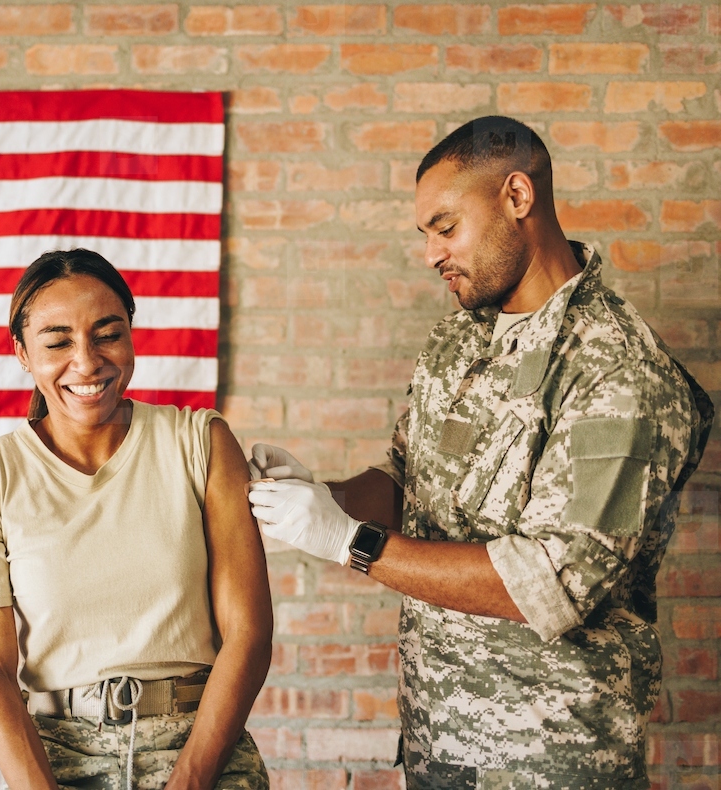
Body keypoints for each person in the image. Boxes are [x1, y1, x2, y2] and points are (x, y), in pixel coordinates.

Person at [247, 116, 713, 789]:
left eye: (446, 226)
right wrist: (325, 498)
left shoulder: (616, 369)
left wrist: (351, 541)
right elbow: (409, 480)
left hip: (552, 764)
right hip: (440, 748)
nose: (431, 253)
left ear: (516, 198)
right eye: (426, 234)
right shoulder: (460, 338)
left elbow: (554, 582)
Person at [0, 249, 273, 790]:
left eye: (107, 334)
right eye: (58, 341)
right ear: (22, 353)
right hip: (56, 756)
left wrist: (190, 779)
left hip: (201, 746)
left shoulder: (200, 442)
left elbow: (249, 634)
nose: (87, 362)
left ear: (131, 336)